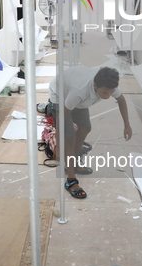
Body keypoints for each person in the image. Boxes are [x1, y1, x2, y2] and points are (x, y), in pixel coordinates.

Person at [49, 66, 132, 199]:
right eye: (105, 93)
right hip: (60, 95)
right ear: (95, 86)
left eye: (111, 93)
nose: (108, 96)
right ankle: (71, 181)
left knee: (85, 128)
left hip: (76, 96)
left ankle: (72, 163)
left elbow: (121, 100)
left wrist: (127, 125)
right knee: (69, 137)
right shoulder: (80, 91)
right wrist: (58, 147)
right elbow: (61, 119)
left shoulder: (108, 85)